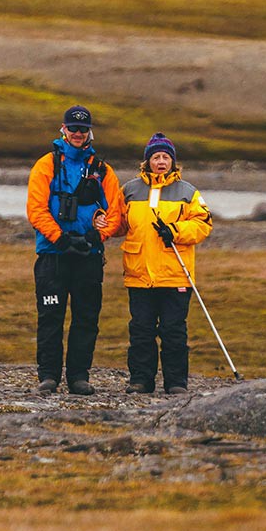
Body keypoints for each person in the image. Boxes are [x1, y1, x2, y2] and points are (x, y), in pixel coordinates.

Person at [25, 104, 124, 395]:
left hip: (88, 257)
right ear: (63, 130)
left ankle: (79, 377)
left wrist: (96, 237)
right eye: (73, 128)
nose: (78, 133)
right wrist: (60, 238)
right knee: (50, 316)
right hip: (53, 256)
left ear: (89, 131)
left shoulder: (103, 170)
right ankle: (49, 376)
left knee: (86, 318)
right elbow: (36, 209)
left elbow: (116, 212)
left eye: (83, 129)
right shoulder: (46, 165)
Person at [117, 133, 213, 395]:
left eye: (166, 157)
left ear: (173, 161)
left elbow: (203, 224)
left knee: (173, 332)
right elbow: (118, 223)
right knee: (141, 331)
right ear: (147, 161)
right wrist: (98, 221)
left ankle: (176, 383)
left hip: (175, 273)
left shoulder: (188, 192)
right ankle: (140, 380)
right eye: (156, 157)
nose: (161, 161)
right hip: (139, 273)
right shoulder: (129, 190)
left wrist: (175, 231)